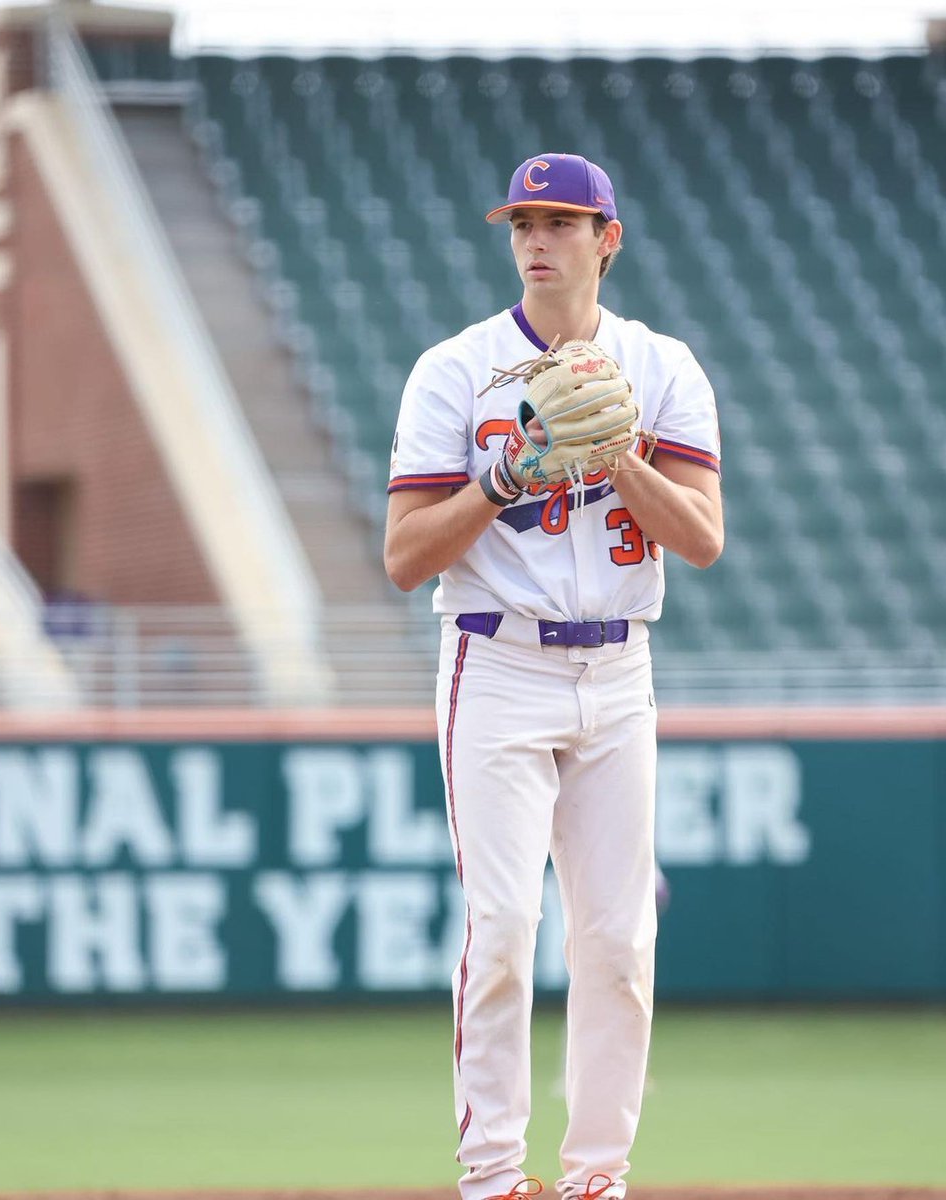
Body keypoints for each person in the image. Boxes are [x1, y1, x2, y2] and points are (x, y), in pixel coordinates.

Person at [384, 153, 723, 1200]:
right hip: (497, 661)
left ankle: (595, 1179)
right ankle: (492, 1177)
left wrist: (619, 457)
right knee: (502, 931)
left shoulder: (662, 369)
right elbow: (404, 557)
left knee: (620, 939)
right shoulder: (455, 370)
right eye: (523, 220)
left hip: (619, 671)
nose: (537, 239)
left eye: (562, 221)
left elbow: (702, 538)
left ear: (606, 239)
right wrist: (503, 476)